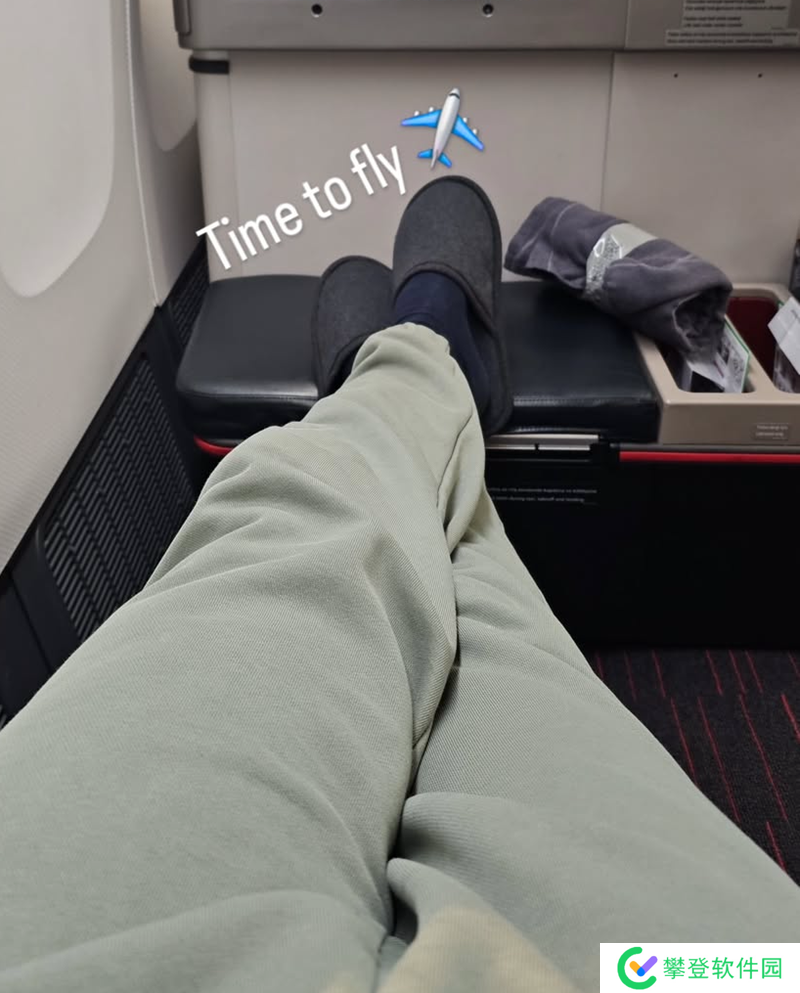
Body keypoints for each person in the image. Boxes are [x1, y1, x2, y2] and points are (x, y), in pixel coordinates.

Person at [0, 177, 797, 993]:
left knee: (313, 524)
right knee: (442, 578)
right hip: (699, 973)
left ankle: (393, 378)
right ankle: (422, 360)